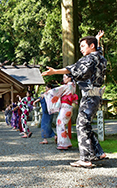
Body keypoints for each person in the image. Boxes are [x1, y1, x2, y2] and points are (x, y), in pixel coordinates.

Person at [42, 30, 107, 168]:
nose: (81, 49)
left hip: (89, 96)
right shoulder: (101, 58)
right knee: (86, 124)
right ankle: (98, 152)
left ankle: (85, 158)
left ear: (91, 46)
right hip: (96, 96)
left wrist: (55, 71)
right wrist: (97, 39)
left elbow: (73, 69)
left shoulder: (89, 59)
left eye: (83, 46)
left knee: (81, 125)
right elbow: (98, 50)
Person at [43, 78, 78, 149]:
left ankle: (63, 144)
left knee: (60, 124)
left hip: (65, 107)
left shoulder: (68, 85)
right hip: (68, 106)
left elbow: (56, 90)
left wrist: (47, 93)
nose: (63, 78)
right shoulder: (73, 86)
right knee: (62, 124)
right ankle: (67, 142)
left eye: (65, 77)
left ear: (69, 78)